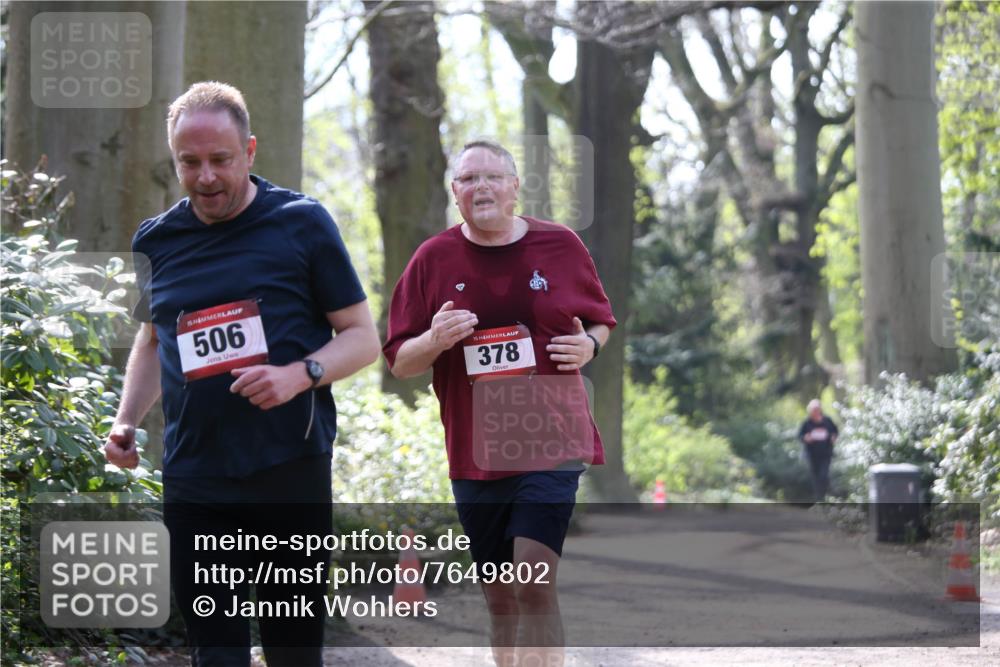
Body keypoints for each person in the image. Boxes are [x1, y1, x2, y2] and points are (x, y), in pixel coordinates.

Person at [104, 81, 380, 666]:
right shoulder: (157, 240)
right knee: (217, 654)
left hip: (289, 470)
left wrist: (299, 374)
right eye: (189, 162)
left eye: (220, 160)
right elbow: (154, 340)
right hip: (195, 476)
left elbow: (362, 338)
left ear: (249, 151)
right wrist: (127, 419)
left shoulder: (302, 223)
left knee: (292, 652)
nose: (205, 177)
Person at [383, 139, 615, 667]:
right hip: (478, 451)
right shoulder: (432, 260)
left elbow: (601, 320)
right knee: (501, 598)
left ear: (515, 187)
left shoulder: (561, 246)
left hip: (552, 438)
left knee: (533, 582)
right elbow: (400, 361)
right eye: (468, 179)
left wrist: (591, 345)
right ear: (455, 193)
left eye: (492, 177)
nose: (480, 186)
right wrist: (436, 339)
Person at [798, 399, 839, 502]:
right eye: (813, 410)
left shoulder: (827, 421)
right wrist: (806, 438)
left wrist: (833, 437)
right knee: (815, 476)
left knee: (823, 475)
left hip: (826, 453)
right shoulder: (807, 423)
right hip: (812, 455)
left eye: (817, 409)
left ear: (820, 409)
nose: (816, 411)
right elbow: (800, 436)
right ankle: (819, 499)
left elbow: (835, 432)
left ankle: (827, 495)